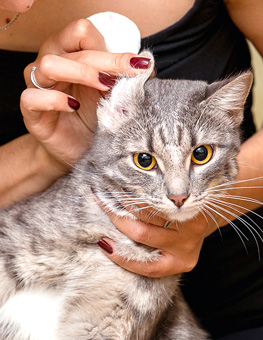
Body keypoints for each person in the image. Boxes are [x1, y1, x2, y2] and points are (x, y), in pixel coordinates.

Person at [1, 0, 263, 338]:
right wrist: (48, 154)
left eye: (200, 155)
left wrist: (203, 219)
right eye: (146, 160)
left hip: (240, 301)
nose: (177, 193)